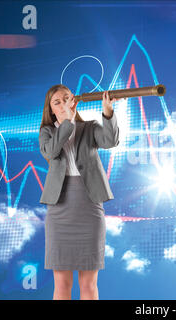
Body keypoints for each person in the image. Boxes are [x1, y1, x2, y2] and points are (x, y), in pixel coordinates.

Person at [38, 84, 123, 300]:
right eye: (57, 102)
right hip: (60, 208)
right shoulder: (47, 132)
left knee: (89, 285)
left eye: (67, 98)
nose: (64, 104)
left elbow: (111, 141)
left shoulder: (90, 128)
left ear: (74, 101)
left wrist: (107, 112)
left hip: (89, 205)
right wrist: (67, 122)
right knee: (62, 284)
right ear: (51, 110)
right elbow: (52, 151)